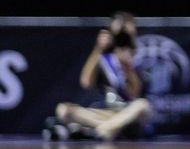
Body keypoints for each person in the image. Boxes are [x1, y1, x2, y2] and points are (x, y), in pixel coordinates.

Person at [49, 13, 153, 142]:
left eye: (126, 35)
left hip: (129, 115)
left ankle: (96, 131)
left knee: (143, 106)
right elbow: (86, 83)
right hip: (106, 113)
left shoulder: (141, 58)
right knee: (64, 110)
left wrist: (128, 70)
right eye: (118, 35)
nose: (122, 40)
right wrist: (98, 49)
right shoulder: (105, 59)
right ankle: (109, 130)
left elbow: (135, 94)